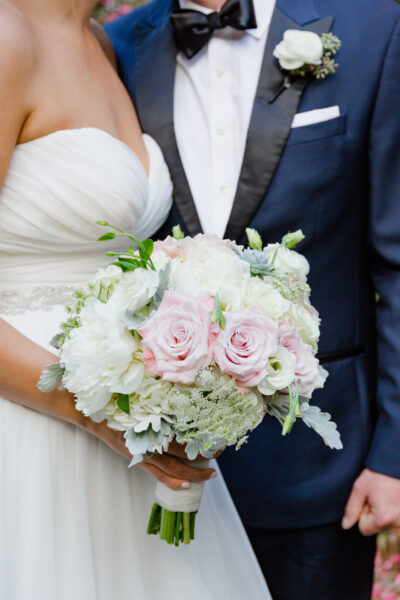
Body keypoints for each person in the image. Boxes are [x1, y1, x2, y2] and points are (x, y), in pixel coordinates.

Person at [105, 0, 400, 598]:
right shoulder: (118, 48)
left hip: (320, 470)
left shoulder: (375, 27)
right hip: (156, 466)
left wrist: (394, 455)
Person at [0, 0, 271, 598]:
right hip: (32, 428)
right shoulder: (6, 35)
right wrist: (99, 412)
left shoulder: (103, 42)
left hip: (131, 429)